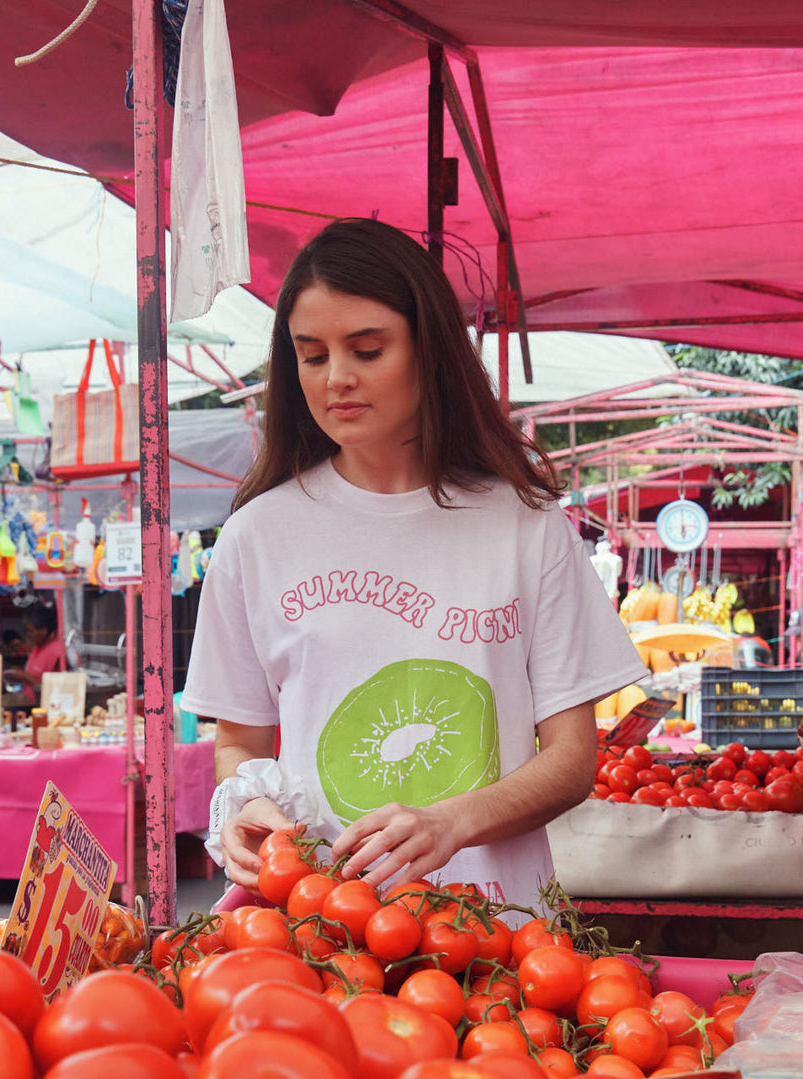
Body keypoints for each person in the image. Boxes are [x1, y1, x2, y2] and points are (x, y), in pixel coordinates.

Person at [181, 218, 647, 911]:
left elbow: (573, 759)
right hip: (325, 931)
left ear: (429, 353)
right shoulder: (255, 537)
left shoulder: (526, 525)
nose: (337, 378)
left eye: (367, 350)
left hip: (503, 937)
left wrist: (452, 822)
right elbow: (240, 743)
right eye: (311, 356)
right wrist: (247, 811)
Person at [20, 602, 65, 701]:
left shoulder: (57, 651)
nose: (28, 634)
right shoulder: (38, 647)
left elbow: (57, 688)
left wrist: (23, 676)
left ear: (43, 630)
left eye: (30, 630)